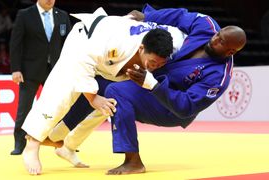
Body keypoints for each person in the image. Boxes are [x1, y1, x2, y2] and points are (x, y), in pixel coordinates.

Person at [45, 4, 247, 175]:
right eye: (218, 35)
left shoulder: (219, 76)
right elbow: (179, 16)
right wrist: (147, 16)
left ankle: (133, 161)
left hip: (170, 108)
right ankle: (58, 139)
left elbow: (186, 107)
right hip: (152, 81)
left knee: (117, 93)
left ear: (230, 51)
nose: (214, 39)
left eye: (220, 42)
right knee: (99, 84)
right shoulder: (208, 26)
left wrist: (152, 85)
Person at [21, 7, 182, 175]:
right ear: (141, 48)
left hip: (110, 61)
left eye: (159, 65)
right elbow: (83, 58)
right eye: (152, 62)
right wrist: (92, 98)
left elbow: (182, 26)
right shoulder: (116, 43)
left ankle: (68, 146)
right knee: (63, 86)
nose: (154, 67)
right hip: (84, 43)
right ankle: (32, 143)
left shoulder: (174, 41)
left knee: (111, 103)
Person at [9, 0, 71, 155]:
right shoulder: (24, 15)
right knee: (24, 108)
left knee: (61, 107)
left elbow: (70, 43)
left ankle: (64, 142)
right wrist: (16, 69)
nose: (50, 0)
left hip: (57, 70)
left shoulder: (62, 15)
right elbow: (16, 43)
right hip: (30, 70)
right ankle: (20, 142)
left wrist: (70, 67)